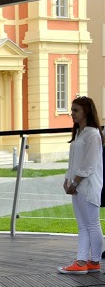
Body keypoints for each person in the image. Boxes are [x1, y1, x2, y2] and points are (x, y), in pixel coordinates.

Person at [58, 96, 104, 274]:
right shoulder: (79, 133)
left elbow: (89, 164)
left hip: (88, 186)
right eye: (72, 110)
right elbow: (74, 161)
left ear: (86, 111)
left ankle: (93, 261)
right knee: (83, 225)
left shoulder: (92, 134)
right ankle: (83, 262)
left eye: (76, 110)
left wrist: (75, 182)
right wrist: (67, 179)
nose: (72, 114)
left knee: (92, 224)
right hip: (77, 186)